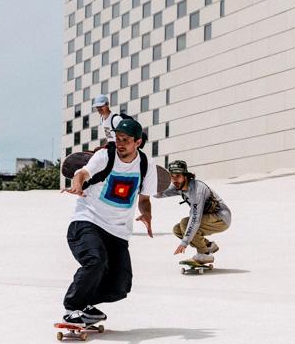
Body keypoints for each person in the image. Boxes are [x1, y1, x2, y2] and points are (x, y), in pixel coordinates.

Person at [61, 113, 154, 326]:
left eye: (125, 140)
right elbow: (83, 173)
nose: (120, 144)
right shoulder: (105, 156)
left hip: (118, 231)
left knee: (120, 286)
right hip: (88, 221)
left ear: (138, 142)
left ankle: (85, 305)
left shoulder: (146, 165)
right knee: (95, 260)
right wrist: (77, 184)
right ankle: (72, 307)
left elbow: (145, 198)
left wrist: (147, 214)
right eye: (118, 138)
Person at [158, 160, 230, 265]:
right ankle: (209, 246)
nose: (174, 180)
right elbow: (159, 194)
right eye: (172, 177)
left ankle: (204, 254)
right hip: (209, 218)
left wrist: (185, 242)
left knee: (185, 223)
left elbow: (195, 219)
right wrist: (148, 185)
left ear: (185, 176)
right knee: (178, 229)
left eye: (177, 176)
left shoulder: (197, 190)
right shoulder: (179, 186)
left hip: (221, 218)